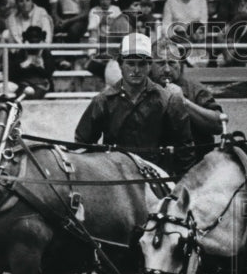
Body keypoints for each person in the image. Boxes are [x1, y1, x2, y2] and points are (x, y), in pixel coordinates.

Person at [75, 33, 195, 175]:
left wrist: (178, 186)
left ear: (150, 65)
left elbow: (185, 150)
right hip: (116, 179)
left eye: (142, 64)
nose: (136, 70)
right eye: (131, 63)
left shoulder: (168, 100)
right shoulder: (103, 101)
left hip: (158, 179)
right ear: (120, 64)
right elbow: (81, 145)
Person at [149, 40, 223, 163]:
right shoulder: (144, 91)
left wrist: (184, 102)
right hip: (155, 167)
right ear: (150, 65)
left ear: (180, 64)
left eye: (172, 63)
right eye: (160, 63)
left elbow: (218, 125)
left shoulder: (195, 89)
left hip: (196, 165)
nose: (167, 69)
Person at [8, 25, 56, 98]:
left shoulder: (45, 52)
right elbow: (12, 75)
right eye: (31, 38)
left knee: (33, 95)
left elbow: (49, 74)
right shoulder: (22, 51)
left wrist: (38, 67)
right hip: (24, 83)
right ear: (26, 38)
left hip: (41, 84)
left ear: (41, 38)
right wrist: (22, 66)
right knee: (20, 96)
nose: (34, 41)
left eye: (36, 37)